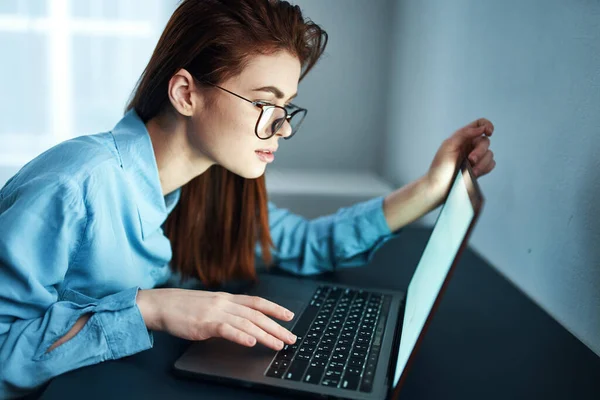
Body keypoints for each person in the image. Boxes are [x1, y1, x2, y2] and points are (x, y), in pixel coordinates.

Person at [0, 0, 496, 397]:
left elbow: (308, 243)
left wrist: (432, 188)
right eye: (263, 103)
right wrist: (149, 308)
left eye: (285, 106)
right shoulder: (74, 188)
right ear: (186, 93)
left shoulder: (206, 182)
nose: (280, 126)